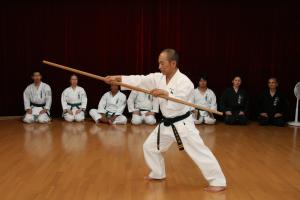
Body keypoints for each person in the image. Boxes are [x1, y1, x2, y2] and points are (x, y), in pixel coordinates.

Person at [104, 49, 226, 192]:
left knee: (199, 151)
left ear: (173, 63)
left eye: (162, 63)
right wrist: (118, 78)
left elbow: (178, 102)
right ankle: (158, 173)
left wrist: (166, 93)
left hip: (183, 124)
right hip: (166, 123)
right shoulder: (158, 77)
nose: (159, 67)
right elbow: (140, 80)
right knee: (150, 147)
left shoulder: (185, 82)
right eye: (159, 63)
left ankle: (218, 181)